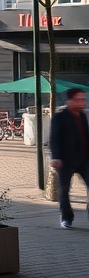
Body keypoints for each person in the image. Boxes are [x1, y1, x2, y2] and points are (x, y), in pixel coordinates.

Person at [49, 88, 89, 229]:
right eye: (78, 99)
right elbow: (54, 139)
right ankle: (66, 217)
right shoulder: (59, 117)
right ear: (70, 101)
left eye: (83, 99)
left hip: (84, 159)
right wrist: (56, 157)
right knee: (64, 189)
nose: (82, 102)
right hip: (65, 161)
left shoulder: (83, 116)